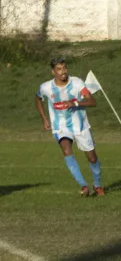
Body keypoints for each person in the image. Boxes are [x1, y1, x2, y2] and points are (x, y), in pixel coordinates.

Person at [34, 58, 104, 197]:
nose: (63, 72)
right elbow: (37, 99)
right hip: (60, 126)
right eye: (59, 69)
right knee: (66, 150)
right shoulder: (46, 87)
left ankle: (97, 185)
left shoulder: (77, 83)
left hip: (81, 126)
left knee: (92, 159)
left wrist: (75, 103)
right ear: (53, 71)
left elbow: (92, 101)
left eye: (64, 68)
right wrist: (44, 119)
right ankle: (83, 185)